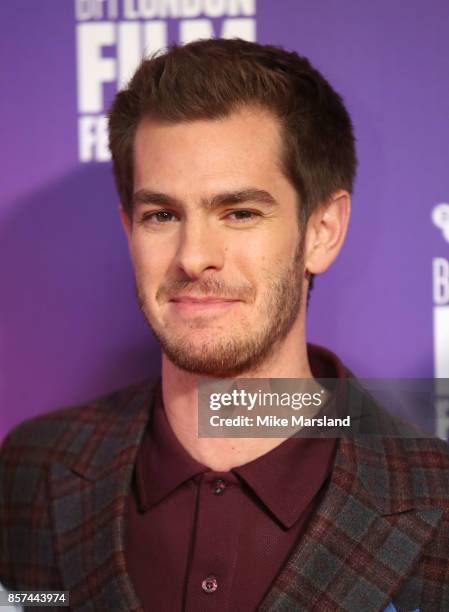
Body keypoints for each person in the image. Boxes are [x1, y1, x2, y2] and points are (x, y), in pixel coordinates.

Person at [1, 38, 448, 612]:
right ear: (128, 228)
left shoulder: (434, 496)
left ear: (322, 231)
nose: (193, 256)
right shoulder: (32, 470)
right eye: (161, 215)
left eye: (239, 213)